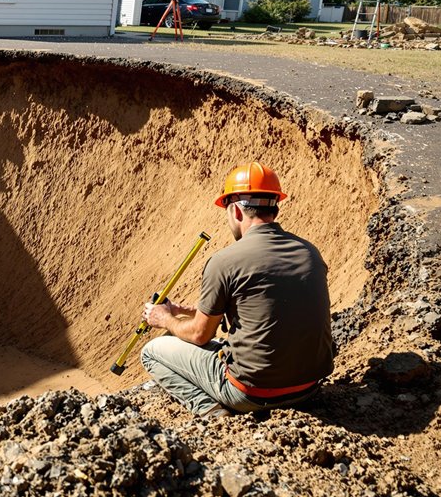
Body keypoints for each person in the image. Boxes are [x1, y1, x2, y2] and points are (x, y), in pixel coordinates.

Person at [140, 162, 333, 417]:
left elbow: (200, 335)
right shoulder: (310, 251)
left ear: (235, 211)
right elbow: (268, 304)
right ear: (275, 207)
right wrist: (182, 310)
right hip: (309, 388)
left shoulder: (224, 261)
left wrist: (165, 318)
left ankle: (211, 411)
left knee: (152, 351)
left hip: (251, 394)